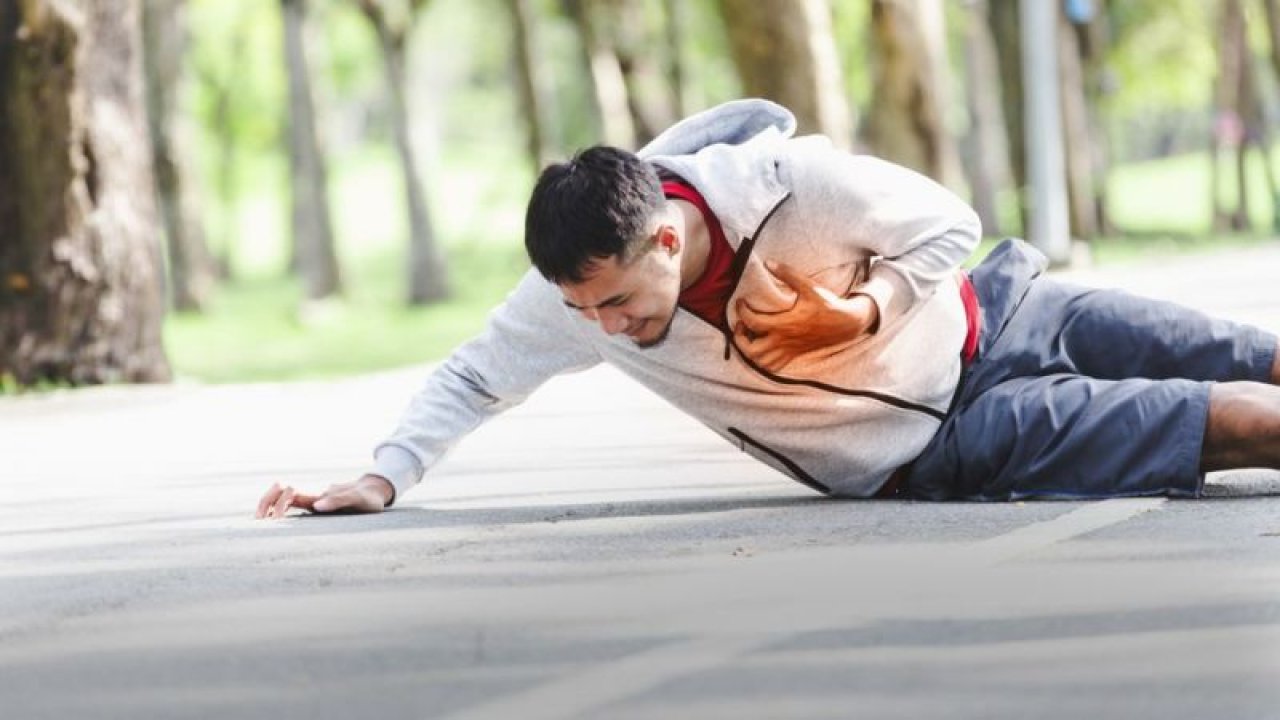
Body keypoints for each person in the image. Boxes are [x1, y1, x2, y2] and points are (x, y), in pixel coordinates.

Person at [255, 99, 1280, 519]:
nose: (601, 329)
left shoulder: (792, 184)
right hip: (941, 440)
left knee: (1253, 353)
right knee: (1240, 420)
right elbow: (471, 375)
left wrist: (864, 312)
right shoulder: (573, 298)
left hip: (1001, 311)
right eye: (583, 313)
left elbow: (946, 222)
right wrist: (380, 479)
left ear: (663, 235)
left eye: (614, 303)